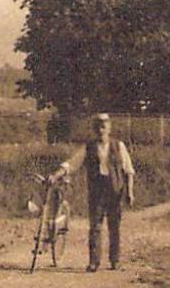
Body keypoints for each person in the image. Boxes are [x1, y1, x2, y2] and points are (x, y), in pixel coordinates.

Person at [49, 113, 135, 272]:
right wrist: (56, 175)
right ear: (94, 129)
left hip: (115, 190)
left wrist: (129, 192)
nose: (101, 129)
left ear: (109, 128)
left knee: (114, 226)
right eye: (98, 126)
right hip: (97, 191)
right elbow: (71, 165)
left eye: (104, 125)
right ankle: (94, 262)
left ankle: (115, 260)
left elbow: (128, 170)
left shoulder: (119, 146)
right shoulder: (88, 147)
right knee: (95, 226)